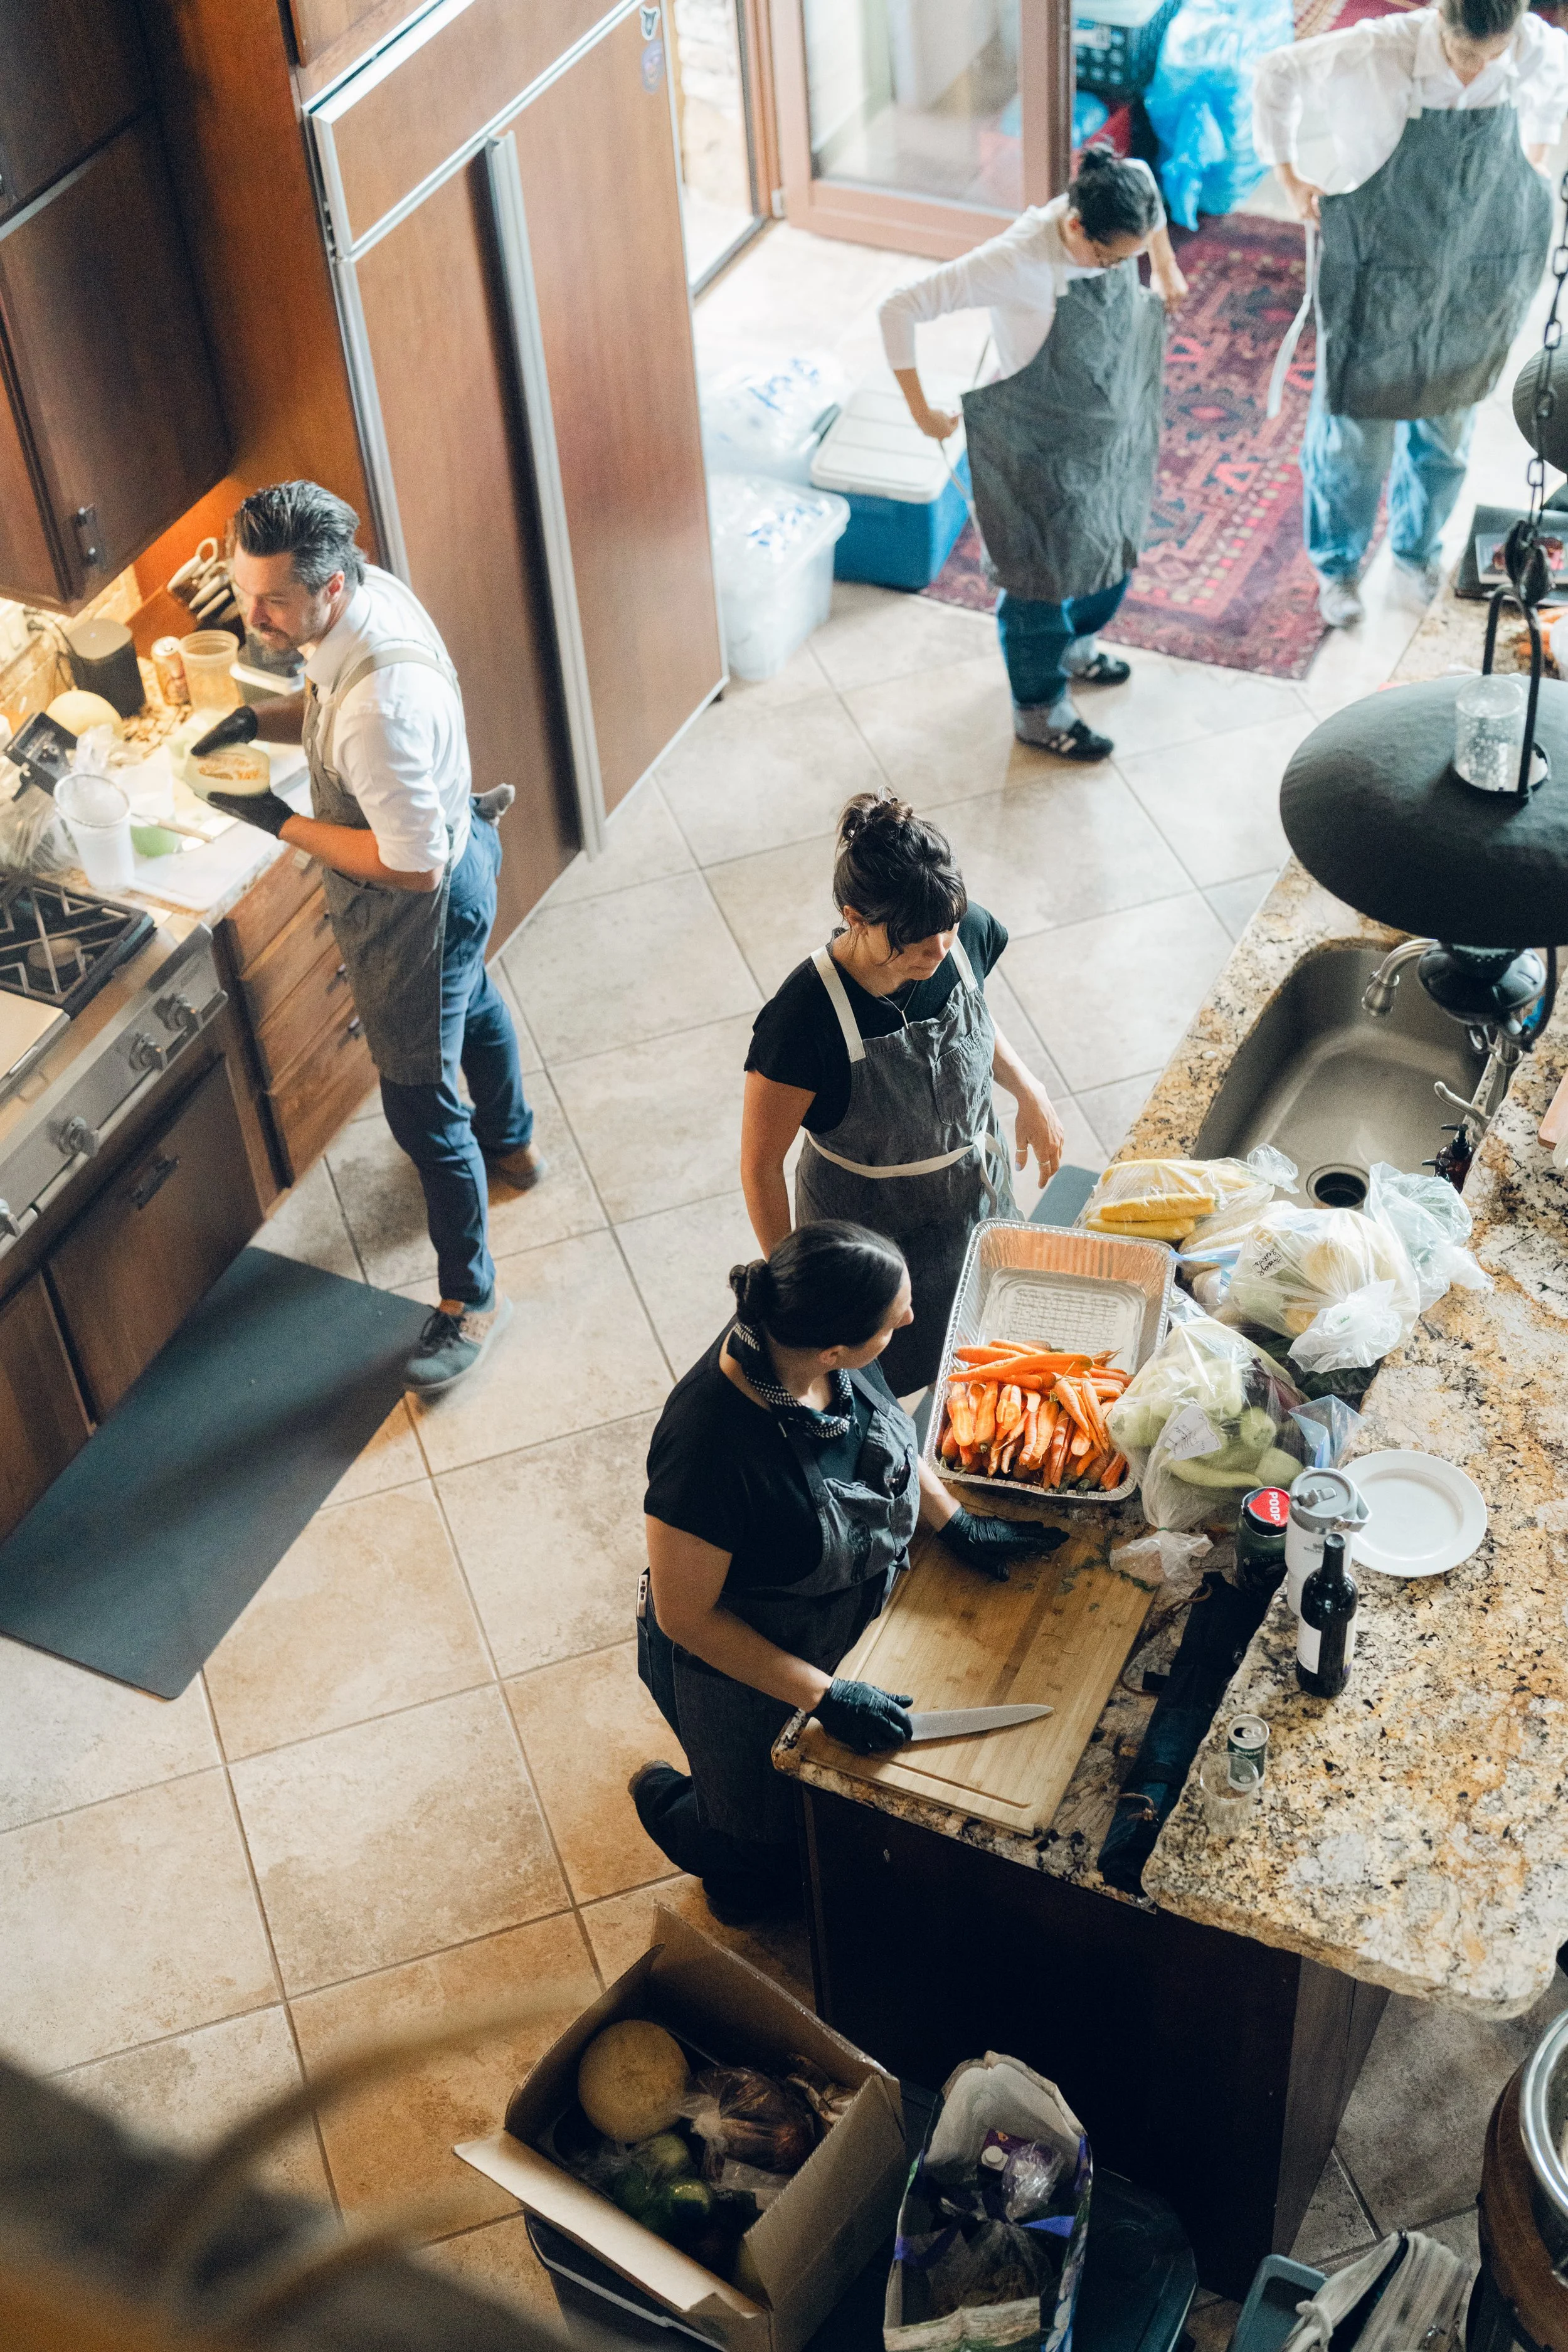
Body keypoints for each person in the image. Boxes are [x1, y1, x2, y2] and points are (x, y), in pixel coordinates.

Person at [198, 480, 546, 1394]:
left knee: (421, 1108)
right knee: (473, 1005)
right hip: (470, 856)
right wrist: (257, 718)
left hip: (420, 908)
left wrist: (276, 820)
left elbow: (411, 865)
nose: (253, 615)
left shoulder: (376, 715)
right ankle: (514, 1142)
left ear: (330, 588)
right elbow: (322, 700)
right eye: (245, 590)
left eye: (271, 600)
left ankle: (474, 1299)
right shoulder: (367, 598)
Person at [633, 1224, 1059, 1924]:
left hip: (835, 1623)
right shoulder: (708, 1449)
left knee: (822, 1807)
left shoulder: (805, 1336)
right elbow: (687, 1617)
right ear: (834, 1347)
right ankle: (674, 1811)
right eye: (896, 1320)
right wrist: (826, 1696)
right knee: (752, 1843)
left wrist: (953, 1519)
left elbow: (887, 1434)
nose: (912, 1322)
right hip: (741, 1664)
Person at [1254, 0, 1568, 630]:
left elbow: (1551, 96)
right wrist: (1289, 178)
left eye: (1491, 52)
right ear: (1439, 20)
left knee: (1446, 436)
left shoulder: (1538, 47)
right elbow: (1274, 74)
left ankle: (1415, 551)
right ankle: (1338, 567)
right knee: (1354, 443)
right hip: (1380, 276)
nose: (1475, 64)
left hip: (1475, 279)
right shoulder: (1374, 50)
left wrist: (1532, 165)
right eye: (1462, 52)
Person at [739, 793, 1064, 1398]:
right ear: (855, 916)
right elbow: (760, 1167)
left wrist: (1028, 1087)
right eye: (915, 940)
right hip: (868, 1231)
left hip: (973, 1199)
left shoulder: (957, 933)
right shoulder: (802, 1022)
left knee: (986, 1351)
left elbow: (971, 1019)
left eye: (948, 927)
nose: (939, 950)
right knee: (881, 1386)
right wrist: (795, 1286)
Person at [879, 149, 1185, 763]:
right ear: (1075, 227)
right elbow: (899, 307)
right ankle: (1040, 710)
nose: (1121, 268)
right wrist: (919, 408)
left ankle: (1076, 648)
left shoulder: (1129, 187)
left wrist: (1167, 267)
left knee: (1111, 544)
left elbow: (1147, 198)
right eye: (1109, 258)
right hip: (1034, 440)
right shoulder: (1013, 262)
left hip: (1107, 425)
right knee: (1038, 577)